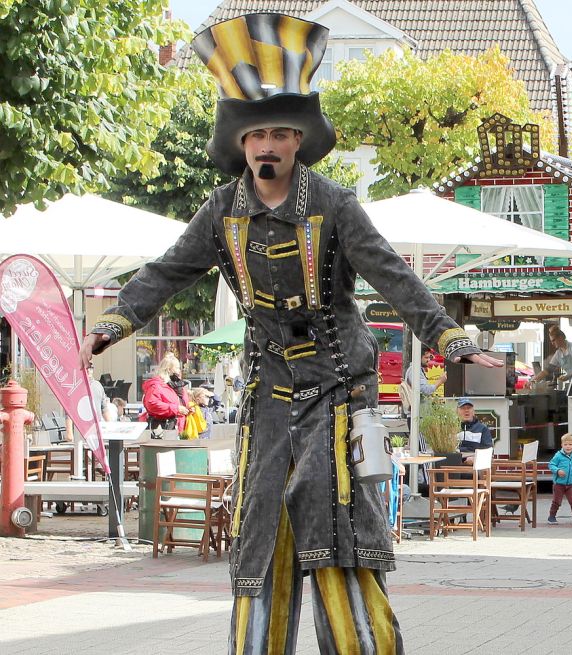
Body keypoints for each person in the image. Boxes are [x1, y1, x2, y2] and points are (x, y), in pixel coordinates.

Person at [79, 14, 498, 654]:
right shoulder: (221, 211)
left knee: (341, 547)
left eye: (279, 132)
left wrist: (445, 334)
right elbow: (165, 272)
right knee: (259, 550)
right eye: (256, 135)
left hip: (338, 399)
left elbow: (391, 274)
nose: (267, 145)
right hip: (267, 402)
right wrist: (115, 320)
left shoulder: (334, 205)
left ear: (298, 141)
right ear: (241, 146)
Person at [141, 353, 190, 436]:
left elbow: (182, 403)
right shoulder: (156, 386)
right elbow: (152, 405)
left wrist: (189, 409)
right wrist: (176, 409)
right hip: (163, 429)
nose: (179, 371)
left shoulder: (176, 385)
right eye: (177, 368)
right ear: (169, 369)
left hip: (179, 429)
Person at [547, 434, 572, 525]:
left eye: (570, 444)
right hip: (559, 483)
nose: (568, 446)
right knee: (556, 501)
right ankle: (551, 517)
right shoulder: (558, 455)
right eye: (565, 444)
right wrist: (557, 470)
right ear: (562, 445)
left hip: (571, 483)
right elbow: (551, 464)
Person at [455, 398, 492, 463]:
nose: (466, 410)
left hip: (475, 466)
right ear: (457, 411)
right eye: (463, 408)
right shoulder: (450, 429)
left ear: (473, 411)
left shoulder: (483, 429)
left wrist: (475, 459)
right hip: (454, 465)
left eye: (469, 408)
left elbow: (488, 452)